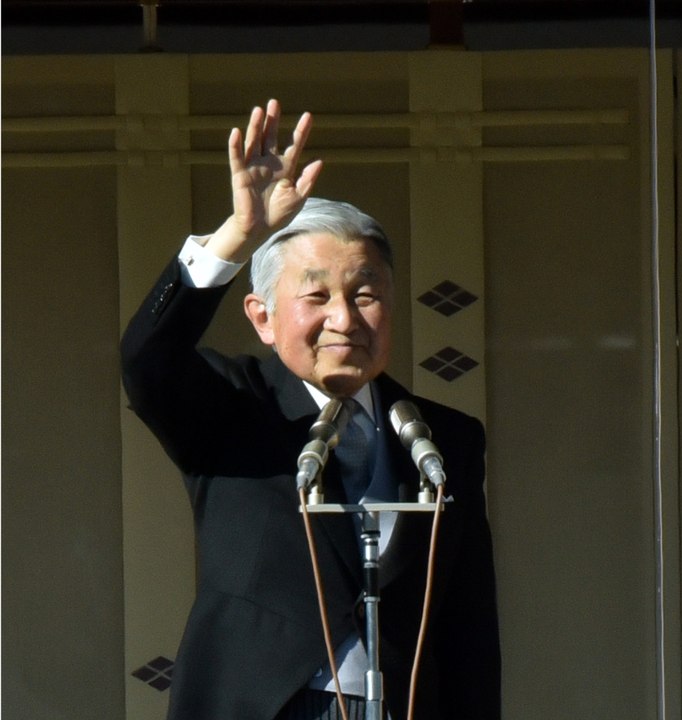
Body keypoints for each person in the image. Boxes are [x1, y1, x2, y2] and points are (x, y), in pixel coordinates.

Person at [121, 100, 501, 720]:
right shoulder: (233, 406)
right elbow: (146, 359)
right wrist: (238, 236)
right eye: (317, 296)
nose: (344, 319)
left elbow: (467, 626)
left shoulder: (445, 439)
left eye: (366, 294)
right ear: (263, 318)